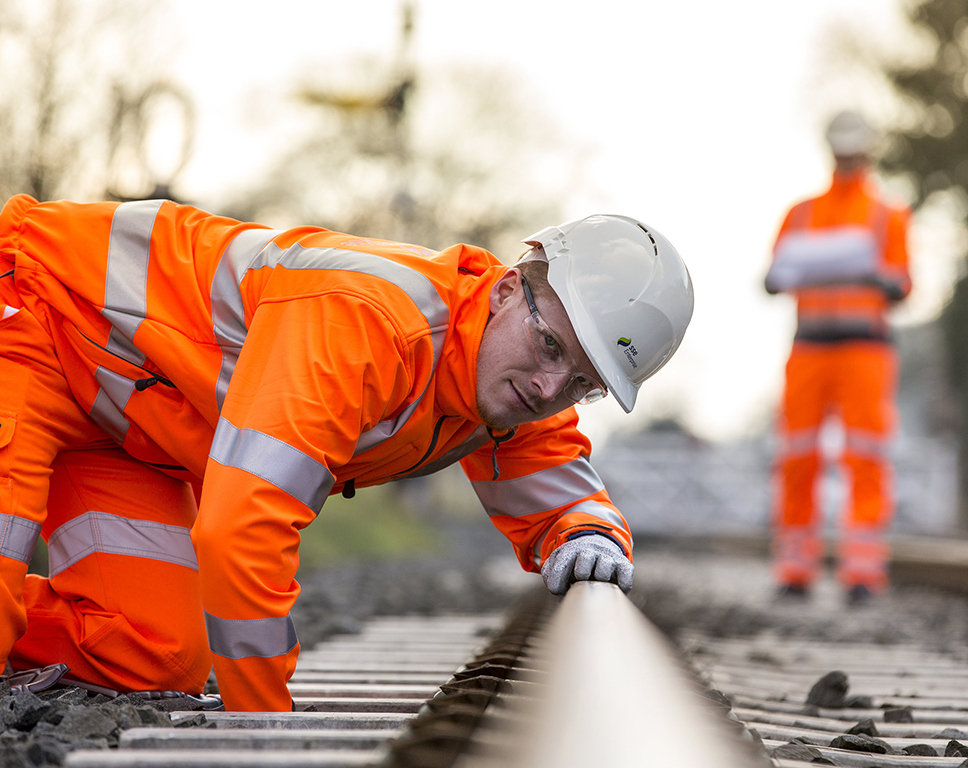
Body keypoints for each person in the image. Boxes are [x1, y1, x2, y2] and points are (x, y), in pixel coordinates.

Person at [0, 196, 693, 711]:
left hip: (128, 425)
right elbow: (242, 528)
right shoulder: (374, 321)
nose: (549, 388)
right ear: (509, 290)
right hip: (37, 308)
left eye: (583, 384)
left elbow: (563, 489)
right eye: (549, 347)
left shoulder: (505, 386)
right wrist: (262, 728)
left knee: (153, 650)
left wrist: (589, 535)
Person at [764, 110, 912, 604]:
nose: (848, 159)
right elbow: (771, 278)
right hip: (809, 349)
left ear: (866, 152)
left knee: (865, 456)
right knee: (797, 457)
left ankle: (862, 572)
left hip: (865, 350)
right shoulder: (801, 213)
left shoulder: (887, 214)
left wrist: (876, 277)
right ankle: (795, 569)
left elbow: (904, 285)